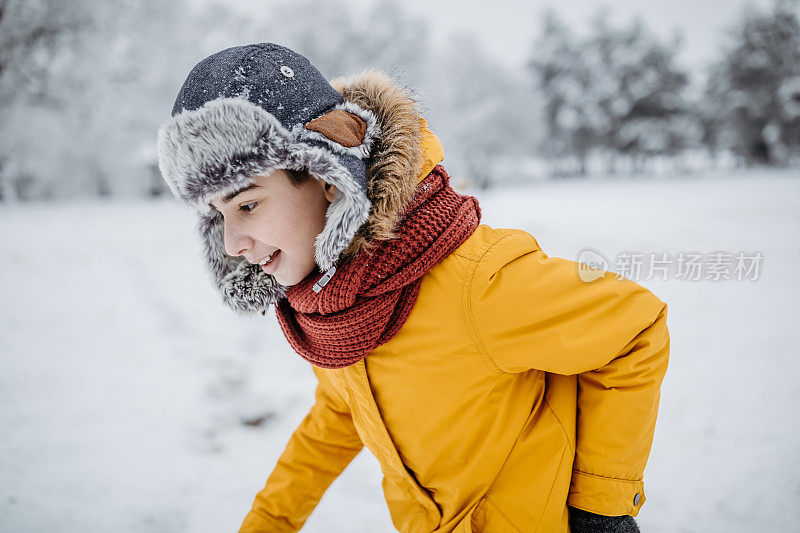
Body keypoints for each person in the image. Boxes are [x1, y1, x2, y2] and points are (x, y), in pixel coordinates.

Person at [156, 43, 670, 533]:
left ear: (327, 176)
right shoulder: (336, 308)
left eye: (247, 205)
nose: (232, 244)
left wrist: (601, 511)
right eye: (218, 215)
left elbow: (636, 328)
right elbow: (340, 413)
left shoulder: (477, 283)